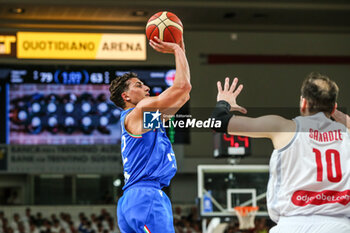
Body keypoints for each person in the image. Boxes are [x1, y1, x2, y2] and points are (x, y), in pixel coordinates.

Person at [211, 73, 350, 233]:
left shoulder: (283, 127)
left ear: (303, 103)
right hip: (339, 226)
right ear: (333, 107)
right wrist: (333, 112)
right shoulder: (346, 135)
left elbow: (218, 121)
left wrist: (224, 103)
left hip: (291, 225)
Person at [109, 36, 191, 233]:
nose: (146, 88)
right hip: (146, 196)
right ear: (125, 96)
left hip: (132, 200)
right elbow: (183, 87)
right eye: (138, 85)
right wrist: (176, 51)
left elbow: (184, 95)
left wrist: (181, 51)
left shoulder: (145, 119)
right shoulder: (141, 111)